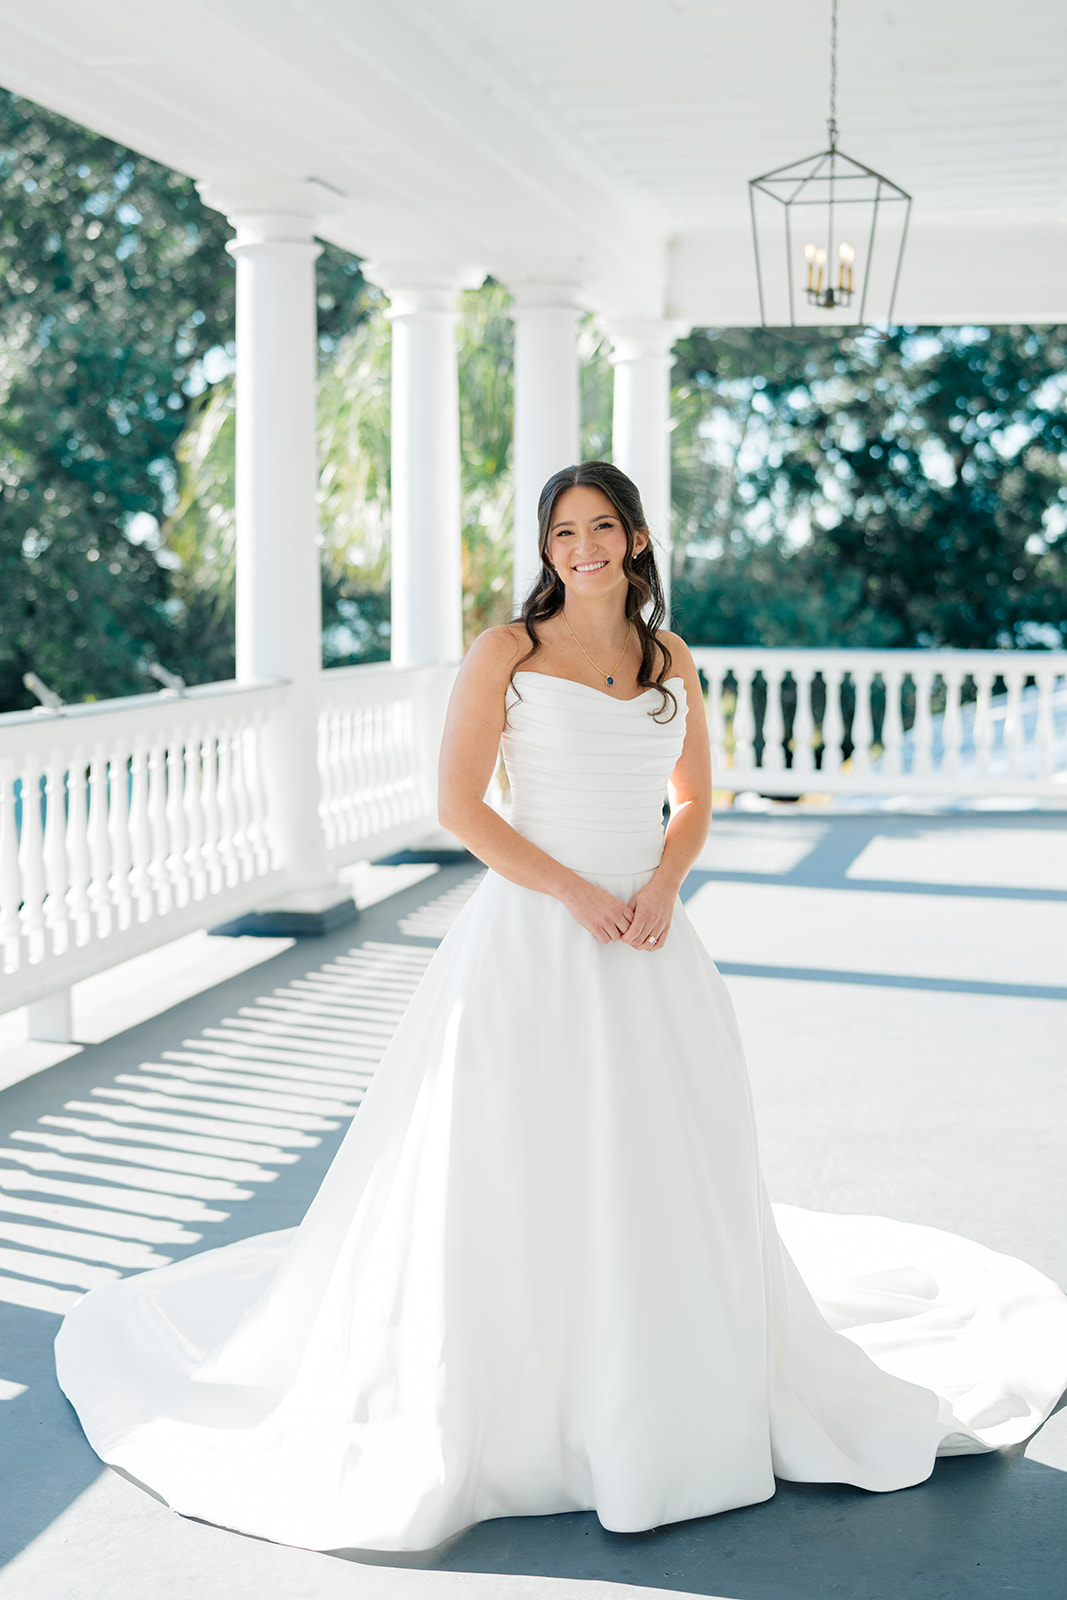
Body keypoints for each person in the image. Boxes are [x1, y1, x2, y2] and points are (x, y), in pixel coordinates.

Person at [55, 461, 1067, 1555]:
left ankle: (661, 1382)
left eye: (600, 527)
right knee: (522, 1162)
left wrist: (662, 886)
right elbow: (456, 807)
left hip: (649, 941)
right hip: (537, 939)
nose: (580, 547)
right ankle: (530, 1396)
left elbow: (692, 801)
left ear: (633, 538)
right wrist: (580, 894)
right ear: (546, 549)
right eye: (561, 532)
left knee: (659, 1158)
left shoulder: (667, 656)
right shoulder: (507, 653)